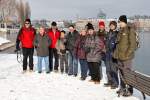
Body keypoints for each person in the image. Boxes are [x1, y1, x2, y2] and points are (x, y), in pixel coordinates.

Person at [113, 15, 137, 96]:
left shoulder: (130, 30)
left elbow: (133, 44)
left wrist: (127, 54)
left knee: (127, 74)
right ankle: (122, 88)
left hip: (126, 57)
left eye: (120, 22)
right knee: (121, 73)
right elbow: (118, 44)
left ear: (124, 22)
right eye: (119, 22)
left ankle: (130, 90)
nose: (119, 23)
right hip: (119, 56)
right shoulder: (120, 30)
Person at [104, 21, 119, 89]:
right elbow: (106, 42)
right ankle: (110, 81)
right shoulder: (108, 33)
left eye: (113, 25)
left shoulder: (117, 33)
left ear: (115, 26)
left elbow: (118, 44)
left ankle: (115, 83)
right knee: (108, 68)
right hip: (107, 53)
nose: (111, 26)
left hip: (113, 53)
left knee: (114, 69)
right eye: (110, 25)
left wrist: (115, 52)